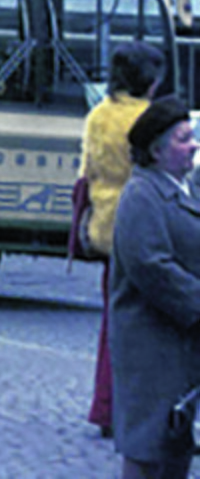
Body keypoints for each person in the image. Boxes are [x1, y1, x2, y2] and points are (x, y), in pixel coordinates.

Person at [109, 94, 200, 479]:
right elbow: (151, 266)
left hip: (179, 342)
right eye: (183, 139)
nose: (193, 144)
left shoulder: (183, 188)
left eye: (193, 135)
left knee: (175, 442)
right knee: (148, 446)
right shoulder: (142, 195)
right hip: (151, 343)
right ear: (156, 151)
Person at [83, 41, 168, 437]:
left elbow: (87, 172)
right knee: (144, 328)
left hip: (105, 227)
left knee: (112, 321)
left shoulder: (98, 115)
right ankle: (131, 410)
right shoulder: (151, 119)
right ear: (149, 79)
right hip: (143, 227)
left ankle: (105, 406)